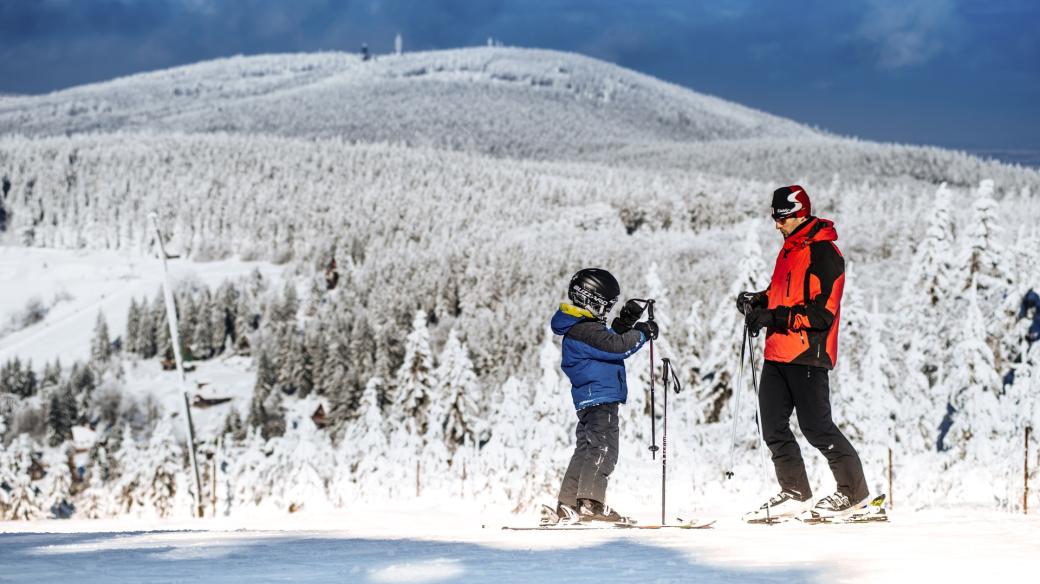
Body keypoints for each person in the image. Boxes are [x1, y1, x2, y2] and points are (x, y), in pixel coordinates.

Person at [737, 185, 870, 521]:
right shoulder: (789, 251)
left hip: (808, 354)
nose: (776, 225)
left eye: (781, 218)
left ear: (799, 214)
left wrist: (775, 316)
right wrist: (759, 301)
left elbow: (822, 314)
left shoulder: (825, 254)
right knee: (772, 426)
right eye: (774, 217)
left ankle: (854, 494)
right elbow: (782, 294)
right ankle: (795, 492)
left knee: (817, 427)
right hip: (777, 352)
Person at [545, 268, 658, 525]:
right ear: (590, 300)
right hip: (600, 397)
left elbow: (608, 341)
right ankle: (590, 503)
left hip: (591, 397)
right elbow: (616, 347)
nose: (606, 312)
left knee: (586, 448)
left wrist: (625, 323)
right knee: (604, 448)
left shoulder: (581, 326)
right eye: (605, 306)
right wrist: (642, 333)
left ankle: (569, 504)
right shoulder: (585, 330)